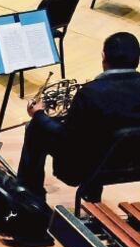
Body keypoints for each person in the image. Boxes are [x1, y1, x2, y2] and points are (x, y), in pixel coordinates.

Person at [16, 32, 140, 200]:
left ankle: (29, 197)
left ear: (103, 56)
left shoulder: (90, 94)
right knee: (105, 137)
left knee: (35, 127)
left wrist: (38, 115)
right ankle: (92, 197)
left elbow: (66, 139)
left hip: (83, 168)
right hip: (133, 166)